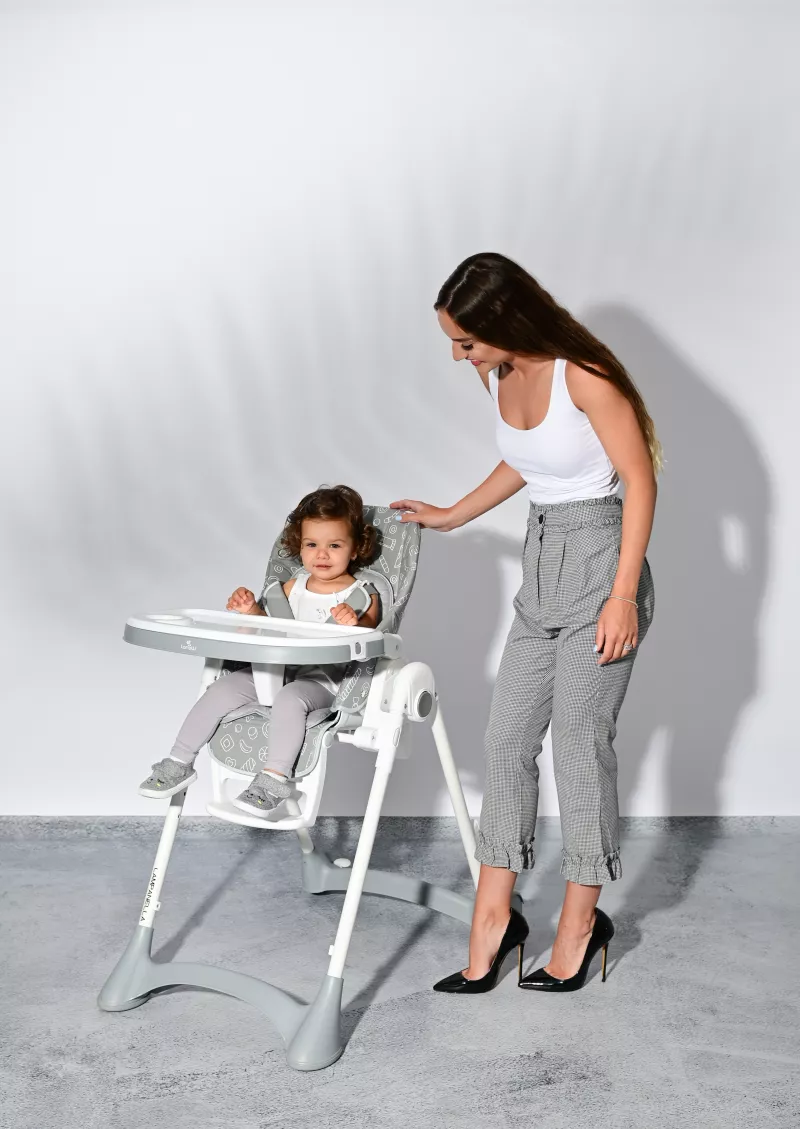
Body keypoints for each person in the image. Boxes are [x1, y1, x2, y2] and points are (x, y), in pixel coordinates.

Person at [392, 252, 658, 994]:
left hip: (602, 562)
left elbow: (640, 481)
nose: (460, 357)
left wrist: (622, 595)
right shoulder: (499, 373)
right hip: (541, 566)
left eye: (466, 341)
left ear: (506, 321)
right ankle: (494, 919)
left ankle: (579, 925)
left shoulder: (586, 377)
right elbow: (531, 461)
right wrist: (453, 513)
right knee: (505, 740)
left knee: (578, 745)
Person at [138, 485, 380, 815]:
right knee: (221, 689)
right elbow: (271, 628)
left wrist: (355, 622)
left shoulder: (362, 594)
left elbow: (370, 639)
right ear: (299, 545)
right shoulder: (291, 588)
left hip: (322, 682)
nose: (322, 554)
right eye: (312, 544)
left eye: (334, 545)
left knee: (290, 698)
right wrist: (251, 611)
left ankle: (272, 780)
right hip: (273, 671)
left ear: (354, 550)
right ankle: (178, 761)